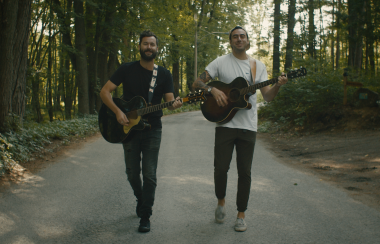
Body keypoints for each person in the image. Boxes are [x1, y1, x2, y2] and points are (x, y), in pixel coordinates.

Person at [192, 26, 288, 232]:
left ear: (247, 40)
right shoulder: (220, 62)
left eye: (242, 36)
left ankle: (241, 215)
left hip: (248, 127)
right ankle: (221, 201)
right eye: (235, 37)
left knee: (245, 172)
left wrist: (278, 85)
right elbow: (197, 83)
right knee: (220, 168)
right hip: (225, 124)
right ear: (230, 41)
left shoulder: (257, 66)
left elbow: (268, 97)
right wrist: (212, 89)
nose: (239, 39)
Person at [100, 30, 183, 233]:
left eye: (152, 45)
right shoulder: (127, 69)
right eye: (145, 44)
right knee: (132, 174)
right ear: (140, 46)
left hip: (153, 129)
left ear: (157, 48)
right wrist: (118, 112)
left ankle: (145, 214)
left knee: (150, 174)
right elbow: (104, 92)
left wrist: (176, 104)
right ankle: (141, 197)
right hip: (129, 129)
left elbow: (169, 102)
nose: (149, 47)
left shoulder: (163, 74)